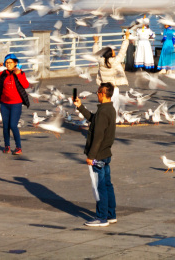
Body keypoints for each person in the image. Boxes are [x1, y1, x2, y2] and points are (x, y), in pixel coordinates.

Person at [75, 82, 117, 227]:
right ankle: (111, 215)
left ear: (103, 93)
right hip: (106, 153)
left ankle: (101, 217)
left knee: (100, 187)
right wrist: (80, 107)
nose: (97, 94)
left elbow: (98, 136)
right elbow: (94, 120)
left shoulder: (103, 111)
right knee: (107, 185)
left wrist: (91, 156)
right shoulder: (109, 109)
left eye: (98, 92)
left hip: (98, 155)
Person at [0, 54, 30, 155]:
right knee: (5, 126)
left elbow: (26, 85)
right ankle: (7, 146)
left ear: (15, 63)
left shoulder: (20, 73)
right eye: (6, 62)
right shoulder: (4, 73)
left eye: (10, 62)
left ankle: (18, 147)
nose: (8, 64)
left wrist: (18, 74)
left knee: (13, 125)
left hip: (16, 104)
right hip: (4, 104)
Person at [96, 30, 130, 111]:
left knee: (104, 107)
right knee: (114, 108)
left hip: (104, 88)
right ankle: (113, 118)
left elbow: (96, 53)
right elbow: (122, 51)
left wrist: (96, 42)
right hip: (113, 89)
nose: (114, 51)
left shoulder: (100, 61)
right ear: (110, 54)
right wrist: (126, 38)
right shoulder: (115, 61)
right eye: (113, 51)